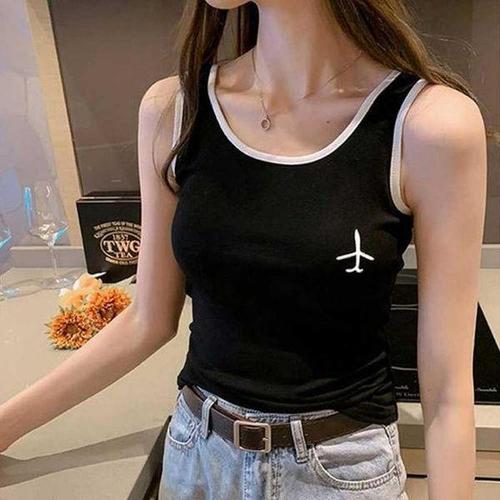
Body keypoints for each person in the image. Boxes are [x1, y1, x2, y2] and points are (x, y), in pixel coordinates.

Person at [0, 1, 488, 499]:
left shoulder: (429, 125)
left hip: (339, 472)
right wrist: (6, 425)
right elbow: (147, 320)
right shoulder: (175, 109)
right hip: (196, 458)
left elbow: (448, 393)